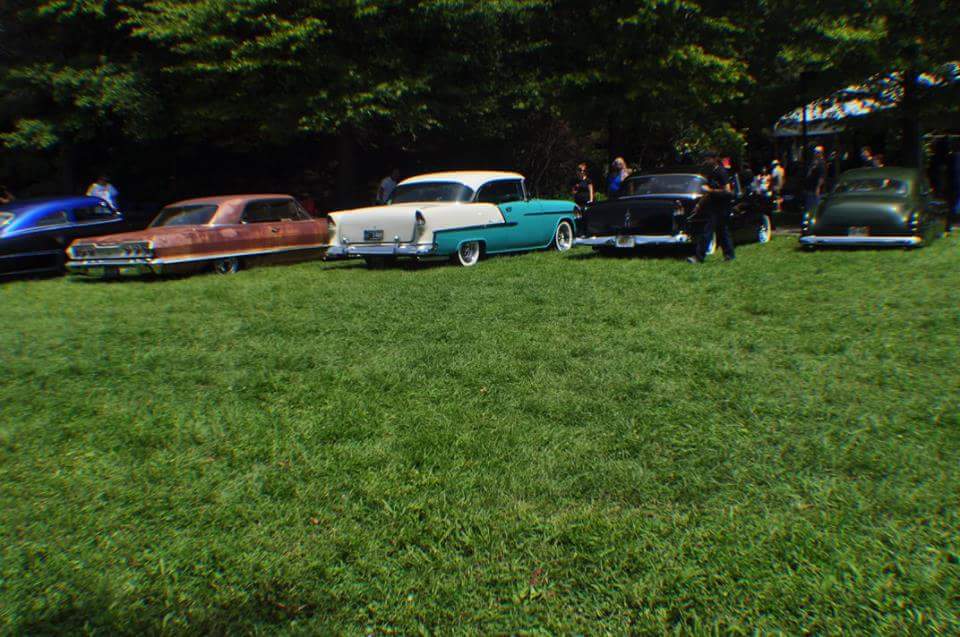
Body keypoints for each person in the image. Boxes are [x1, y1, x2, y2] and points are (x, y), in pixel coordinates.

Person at [689, 152, 735, 263]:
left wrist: (710, 190)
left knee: (707, 231)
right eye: (705, 159)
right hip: (714, 206)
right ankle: (729, 255)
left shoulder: (721, 172)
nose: (706, 161)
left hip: (722, 207)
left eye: (708, 159)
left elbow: (727, 191)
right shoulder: (711, 173)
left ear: (714, 159)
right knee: (722, 231)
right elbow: (707, 193)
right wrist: (699, 205)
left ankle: (699, 257)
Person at [802, 146, 826, 213]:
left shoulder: (821, 163)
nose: (815, 154)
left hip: (815, 190)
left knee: (815, 208)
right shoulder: (814, 162)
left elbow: (821, 177)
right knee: (809, 207)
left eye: (817, 152)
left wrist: (818, 187)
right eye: (815, 152)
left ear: (821, 153)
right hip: (809, 189)